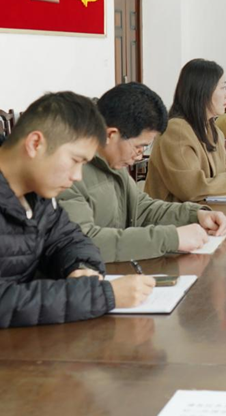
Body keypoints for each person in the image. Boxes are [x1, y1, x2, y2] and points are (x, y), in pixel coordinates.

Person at [0, 92, 154, 327]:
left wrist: (80, 268)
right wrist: (100, 295)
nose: (77, 176)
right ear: (35, 144)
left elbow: (68, 239)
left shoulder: (38, 194)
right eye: (75, 160)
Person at [58, 83, 226, 263]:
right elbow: (83, 243)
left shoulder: (112, 160)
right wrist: (171, 238)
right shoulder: (67, 173)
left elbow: (140, 208)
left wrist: (195, 215)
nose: (140, 155)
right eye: (139, 146)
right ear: (111, 135)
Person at [145, 59, 226, 202]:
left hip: (205, 208)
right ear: (203, 91)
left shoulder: (211, 128)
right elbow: (191, 188)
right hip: (178, 213)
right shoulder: (176, 130)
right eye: (222, 88)